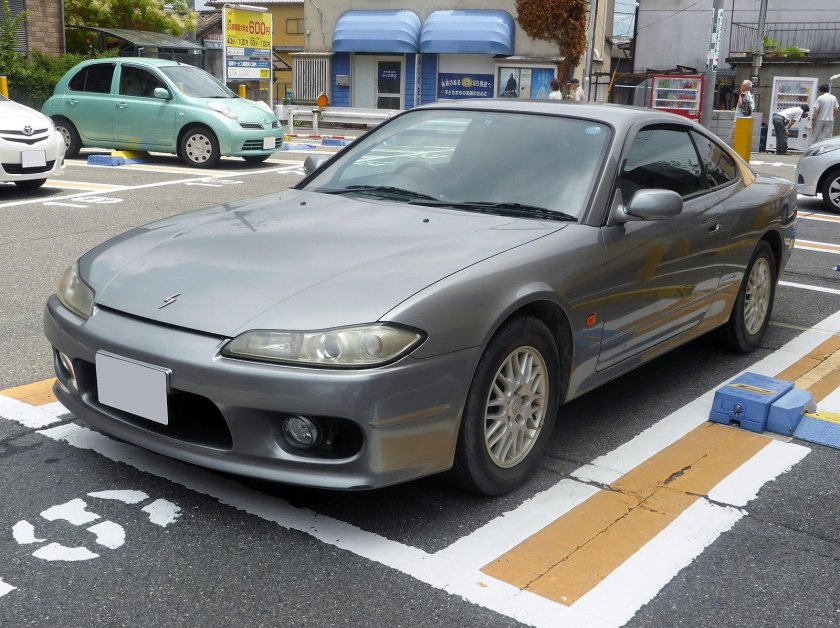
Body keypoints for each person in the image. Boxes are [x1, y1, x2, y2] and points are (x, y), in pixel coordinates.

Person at [729, 79, 754, 147]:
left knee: (732, 137)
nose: (740, 86)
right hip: (744, 120)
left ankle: (735, 152)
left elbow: (741, 105)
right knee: (739, 138)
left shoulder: (743, 95)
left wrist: (740, 96)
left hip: (739, 120)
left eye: (742, 85)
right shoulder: (750, 95)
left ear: (746, 86)